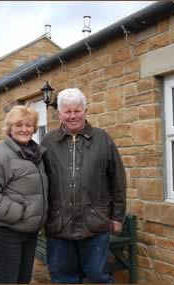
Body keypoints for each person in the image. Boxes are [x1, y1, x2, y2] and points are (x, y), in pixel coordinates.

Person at [41, 88, 127, 284]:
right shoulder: (48, 142)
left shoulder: (103, 139)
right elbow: (39, 181)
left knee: (99, 278)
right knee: (63, 279)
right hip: (59, 225)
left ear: (86, 111)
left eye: (77, 110)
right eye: (67, 111)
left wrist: (117, 216)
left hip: (95, 225)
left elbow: (118, 181)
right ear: (59, 114)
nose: (73, 116)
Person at [0, 105, 48, 284]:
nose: (24, 129)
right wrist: (18, 213)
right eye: (18, 125)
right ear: (9, 128)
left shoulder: (34, 154)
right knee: (6, 280)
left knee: (23, 280)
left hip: (29, 232)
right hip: (7, 233)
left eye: (29, 125)